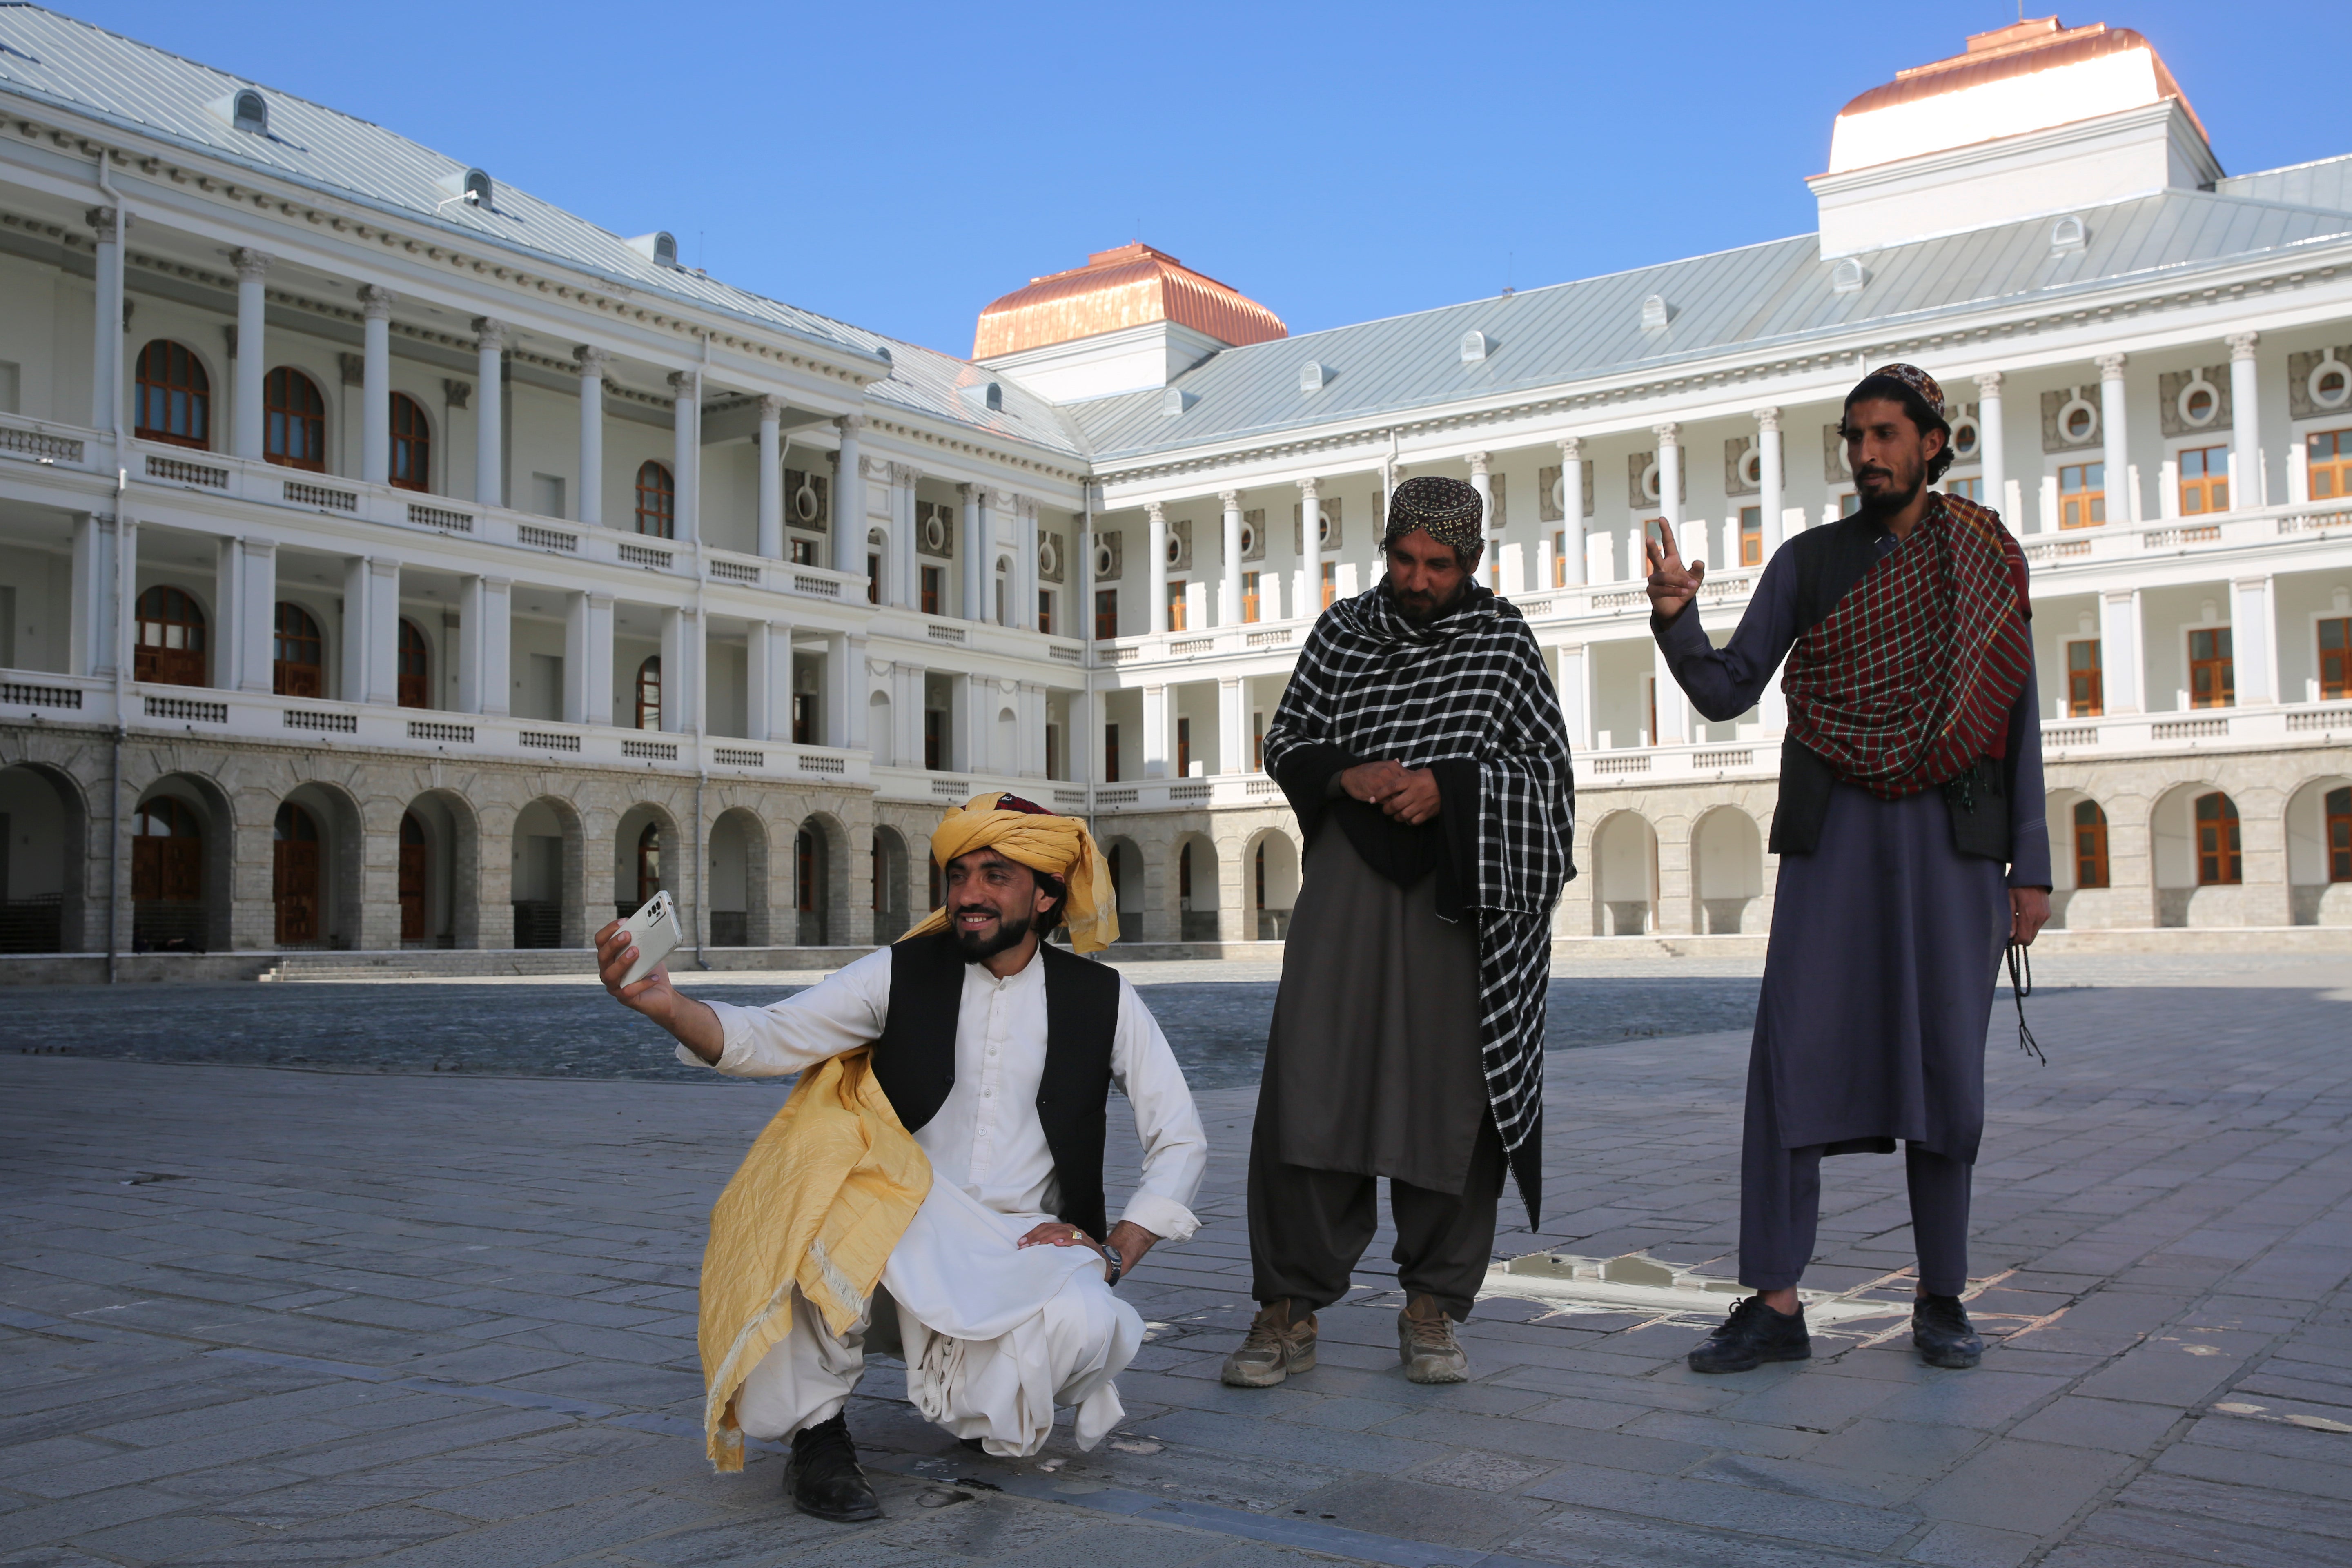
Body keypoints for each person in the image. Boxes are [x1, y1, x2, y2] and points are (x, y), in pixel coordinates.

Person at [597, 793, 1206, 1523]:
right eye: (958, 876)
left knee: (1088, 1323)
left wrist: (1116, 1251)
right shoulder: (900, 971)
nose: (968, 896)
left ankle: (985, 1411)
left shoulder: (1102, 997)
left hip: (1017, 1242)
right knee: (804, 1217)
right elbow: (770, 1034)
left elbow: (1180, 1136)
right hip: (897, 1224)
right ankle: (817, 1437)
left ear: (1045, 895)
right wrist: (667, 1007)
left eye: (994, 877)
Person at [1644, 363, 2051, 1376]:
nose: (1868, 453)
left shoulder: (1986, 560)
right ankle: (1776, 1301)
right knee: (1793, 1063)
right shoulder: (1810, 562)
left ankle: (1942, 1298)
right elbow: (1731, 689)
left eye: (1886, 435)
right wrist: (1675, 617)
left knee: (1945, 1072)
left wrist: (2029, 867)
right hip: (1834, 845)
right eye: (1855, 437)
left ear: (1931, 444)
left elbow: (2019, 725)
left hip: (1954, 848)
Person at [1222, 475, 1575, 1390]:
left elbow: (1548, 779)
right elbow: (1290, 739)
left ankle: (1433, 1309)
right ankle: (1287, 1308)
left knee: (1449, 1097)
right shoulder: (1344, 631)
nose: (1418, 581)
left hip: (1461, 902)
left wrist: (1450, 788)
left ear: (1472, 564)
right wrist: (1350, 775)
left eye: (1439, 565)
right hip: (1347, 884)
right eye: (1405, 560)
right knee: (1313, 1083)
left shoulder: (1502, 645)